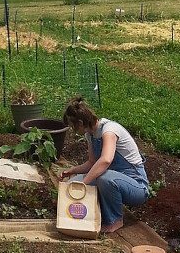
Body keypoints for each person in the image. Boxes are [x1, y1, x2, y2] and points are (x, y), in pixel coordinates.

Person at [59, 96, 149, 233]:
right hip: (112, 179)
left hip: (136, 186)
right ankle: (89, 215)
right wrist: (72, 171)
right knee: (72, 184)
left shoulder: (109, 130)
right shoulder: (90, 135)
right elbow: (92, 163)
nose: (73, 130)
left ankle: (114, 220)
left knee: (104, 178)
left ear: (81, 122)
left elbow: (106, 160)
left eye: (73, 126)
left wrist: (85, 182)